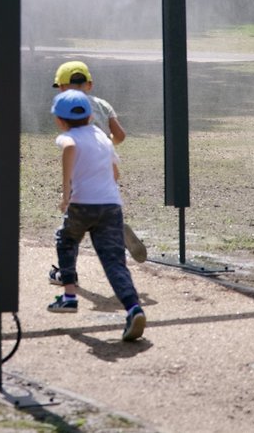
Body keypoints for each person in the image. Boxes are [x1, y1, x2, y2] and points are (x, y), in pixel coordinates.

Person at [46, 89, 146, 342]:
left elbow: (69, 146)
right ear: (91, 116)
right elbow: (115, 173)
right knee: (114, 262)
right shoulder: (102, 136)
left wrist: (66, 193)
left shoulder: (67, 137)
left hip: (82, 204)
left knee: (66, 240)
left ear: (59, 120)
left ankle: (68, 296)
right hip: (111, 206)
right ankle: (134, 308)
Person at [52, 60, 126, 144]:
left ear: (61, 88)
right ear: (90, 85)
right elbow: (120, 135)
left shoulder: (66, 106)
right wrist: (107, 143)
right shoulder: (103, 104)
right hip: (105, 155)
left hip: (81, 154)